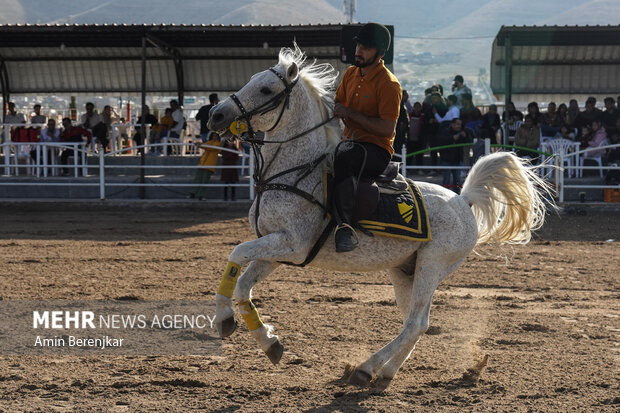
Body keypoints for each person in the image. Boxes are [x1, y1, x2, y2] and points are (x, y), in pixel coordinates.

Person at [333, 22, 401, 252]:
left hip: (376, 149)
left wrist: (350, 114)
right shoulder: (350, 73)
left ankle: (344, 226)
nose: (359, 50)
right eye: (359, 45)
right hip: (349, 143)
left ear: (380, 53)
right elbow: (336, 104)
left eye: (366, 47)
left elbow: (387, 129)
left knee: (344, 159)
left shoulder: (389, 84)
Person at [438, 118, 473, 192]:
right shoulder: (445, 131)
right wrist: (452, 138)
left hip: (457, 160)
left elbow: (469, 142)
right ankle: (443, 195)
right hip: (446, 160)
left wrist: (465, 136)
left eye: (460, 124)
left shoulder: (462, 132)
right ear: (452, 124)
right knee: (446, 181)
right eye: (457, 124)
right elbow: (441, 140)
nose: (459, 126)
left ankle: (457, 197)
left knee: (457, 181)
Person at [188, 132, 222, 200]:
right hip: (202, 164)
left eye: (215, 136)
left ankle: (201, 195)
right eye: (213, 136)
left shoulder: (218, 144)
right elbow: (205, 145)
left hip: (209, 165)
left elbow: (211, 148)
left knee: (204, 181)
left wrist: (201, 145)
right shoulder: (209, 142)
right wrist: (199, 144)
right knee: (197, 180)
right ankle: (192, 193)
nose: (214, 137)